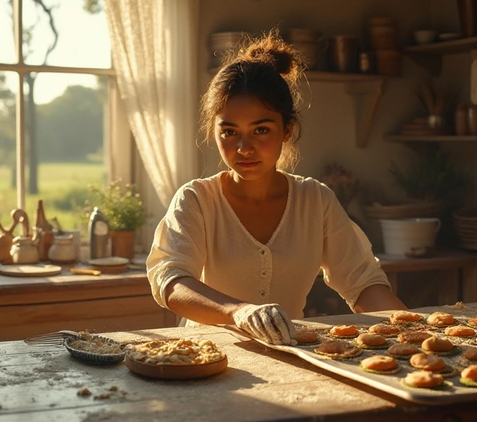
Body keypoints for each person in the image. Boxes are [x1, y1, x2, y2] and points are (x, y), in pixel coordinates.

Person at [146, 29, 407, 345]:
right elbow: (171, 281)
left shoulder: (316, 201)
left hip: (291, 357)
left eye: (260, 130)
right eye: (229, 132)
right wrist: (238, 312)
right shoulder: (197, 200)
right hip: (205, 361)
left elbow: (363, 283)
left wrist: (412, 328)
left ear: (287, 130)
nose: (244, 147)